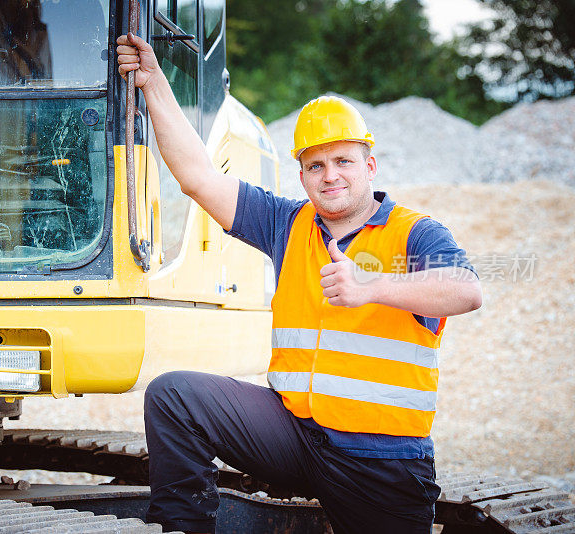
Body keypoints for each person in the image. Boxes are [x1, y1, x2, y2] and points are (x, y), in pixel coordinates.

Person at [116, 33, 482, 534]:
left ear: (368, 166)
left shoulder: (416, 232)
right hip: (293, 436)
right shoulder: (287, 224)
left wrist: (371, 287)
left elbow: (466, 289)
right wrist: (153, 81)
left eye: (343, 162)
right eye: (316, 166)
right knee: (174, 397)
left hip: (380, 459)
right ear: (303, 174)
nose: (330, 176)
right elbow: (197, 176)